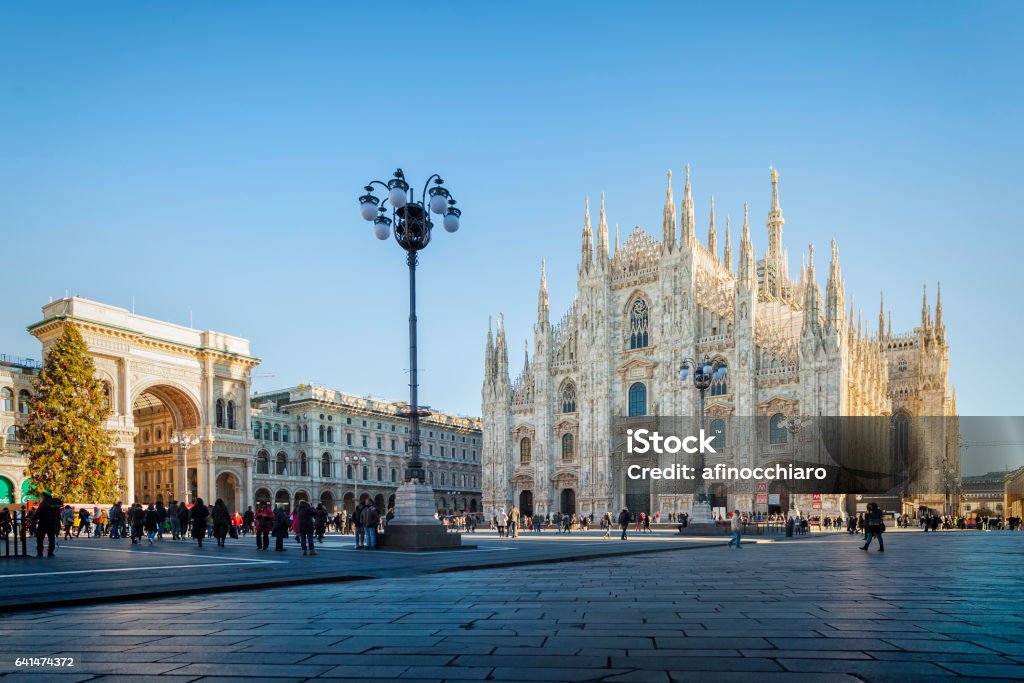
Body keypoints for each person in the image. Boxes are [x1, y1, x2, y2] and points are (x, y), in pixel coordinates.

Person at [31, 493, 59, 557]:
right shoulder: (55, 504)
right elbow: (58, 516)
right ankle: (50, 552)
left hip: (43, 522)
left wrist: (32, 519)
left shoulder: (44, 503)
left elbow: (38, 512)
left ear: (44, 497)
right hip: (52, 523)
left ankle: (40, 552)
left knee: (40, 538)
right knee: (51, 538)